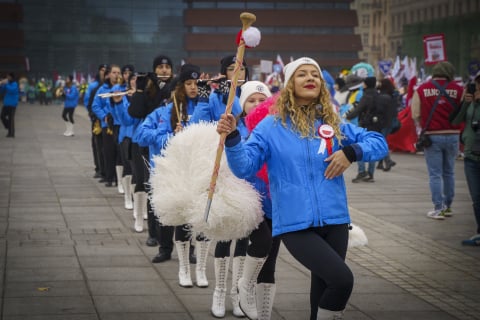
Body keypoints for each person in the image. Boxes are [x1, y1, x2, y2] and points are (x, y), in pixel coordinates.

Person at [216, 57, 388, 320]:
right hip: (296, 225)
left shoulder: (332, 123)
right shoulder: (271, 127)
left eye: (315, 75)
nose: (310, 78)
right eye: (302, 74)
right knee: (342, 281)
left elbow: (378, 142)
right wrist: (233, 138)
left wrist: (351, 152)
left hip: (336, 221)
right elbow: (244, 167)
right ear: (288, 85)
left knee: (321, 292)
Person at [136, 64, 211, 287]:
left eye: (197, 84)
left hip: (195, 171)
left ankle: (190, 253)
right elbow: (141, 134)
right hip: (170, 171)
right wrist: (169, 136)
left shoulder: (203, 108)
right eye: (189, 83)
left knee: (192, 214)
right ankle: (165, 248)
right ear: (180, 86)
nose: (193, 88)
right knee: (169, 213)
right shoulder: (164, 111)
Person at [189, 54, 248, 317]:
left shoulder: (254, 93)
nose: (237, 72)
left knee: (245, 238)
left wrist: (234, 96)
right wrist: (205, 97)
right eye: (232, 69)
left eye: (241, 68)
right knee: (225, 233)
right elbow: (198, 126)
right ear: (223, 73)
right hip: (222, 167)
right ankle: (219, 292)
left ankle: (238, 294)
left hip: (250, 171)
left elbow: (245, 120)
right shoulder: (216, 96)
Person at [411, 61, 464, 220]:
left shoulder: (422, 89)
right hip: (453, 134)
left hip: (432, 136)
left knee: (435, 174)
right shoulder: (459, 89)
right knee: (449, 172)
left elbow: (415, 113)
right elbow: (463, 111)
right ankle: (448, 206)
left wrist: (423, 122)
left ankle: (438, 208)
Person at [450, 72, 480, 245]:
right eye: (476, 85)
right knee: (476, 199)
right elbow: (455, 121)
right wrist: (465, 103)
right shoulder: (471, 103)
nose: (477, 89)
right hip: (470, 155)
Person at [347, 76, 382, 182]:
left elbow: (358, 109)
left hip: (365, 125)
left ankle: (362, 172)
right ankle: (371, 174)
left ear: (366, 84)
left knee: (359, 147)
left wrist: (348, 116)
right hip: (376, 126)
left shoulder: (366, 96)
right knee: (372, 149)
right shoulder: (378, 95)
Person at [84, 64, 107, 179]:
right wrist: (93, 116)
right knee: (97, 146)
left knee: (106, 147)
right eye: (102, 70)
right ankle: (98, 168)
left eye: (106, 71)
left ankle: (107, 170)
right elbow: (89, 103)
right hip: (97, 121)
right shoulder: (94, 87)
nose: (104, 73)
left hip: (109, 122)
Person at [376, 78, 399, 171]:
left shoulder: (383, 96)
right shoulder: (394, 94)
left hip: (384, 121)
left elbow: (381, 110)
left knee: (382, 142)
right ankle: (380, 163)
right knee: (383, 140)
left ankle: (388, 161)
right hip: (392, 121)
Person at [0, 72, 19, 138]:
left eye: (8, 77)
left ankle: (11, 133)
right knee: (2, 116)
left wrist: (6, 83)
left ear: (12, 77)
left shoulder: (15, 84)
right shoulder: (7, 84)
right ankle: (8, 126)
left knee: (11, 119)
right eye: (7, 77)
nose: (7, 78)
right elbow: (1, 91)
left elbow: (11, 90)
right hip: (6, 103)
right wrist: (1, 84)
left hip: (12, 104)